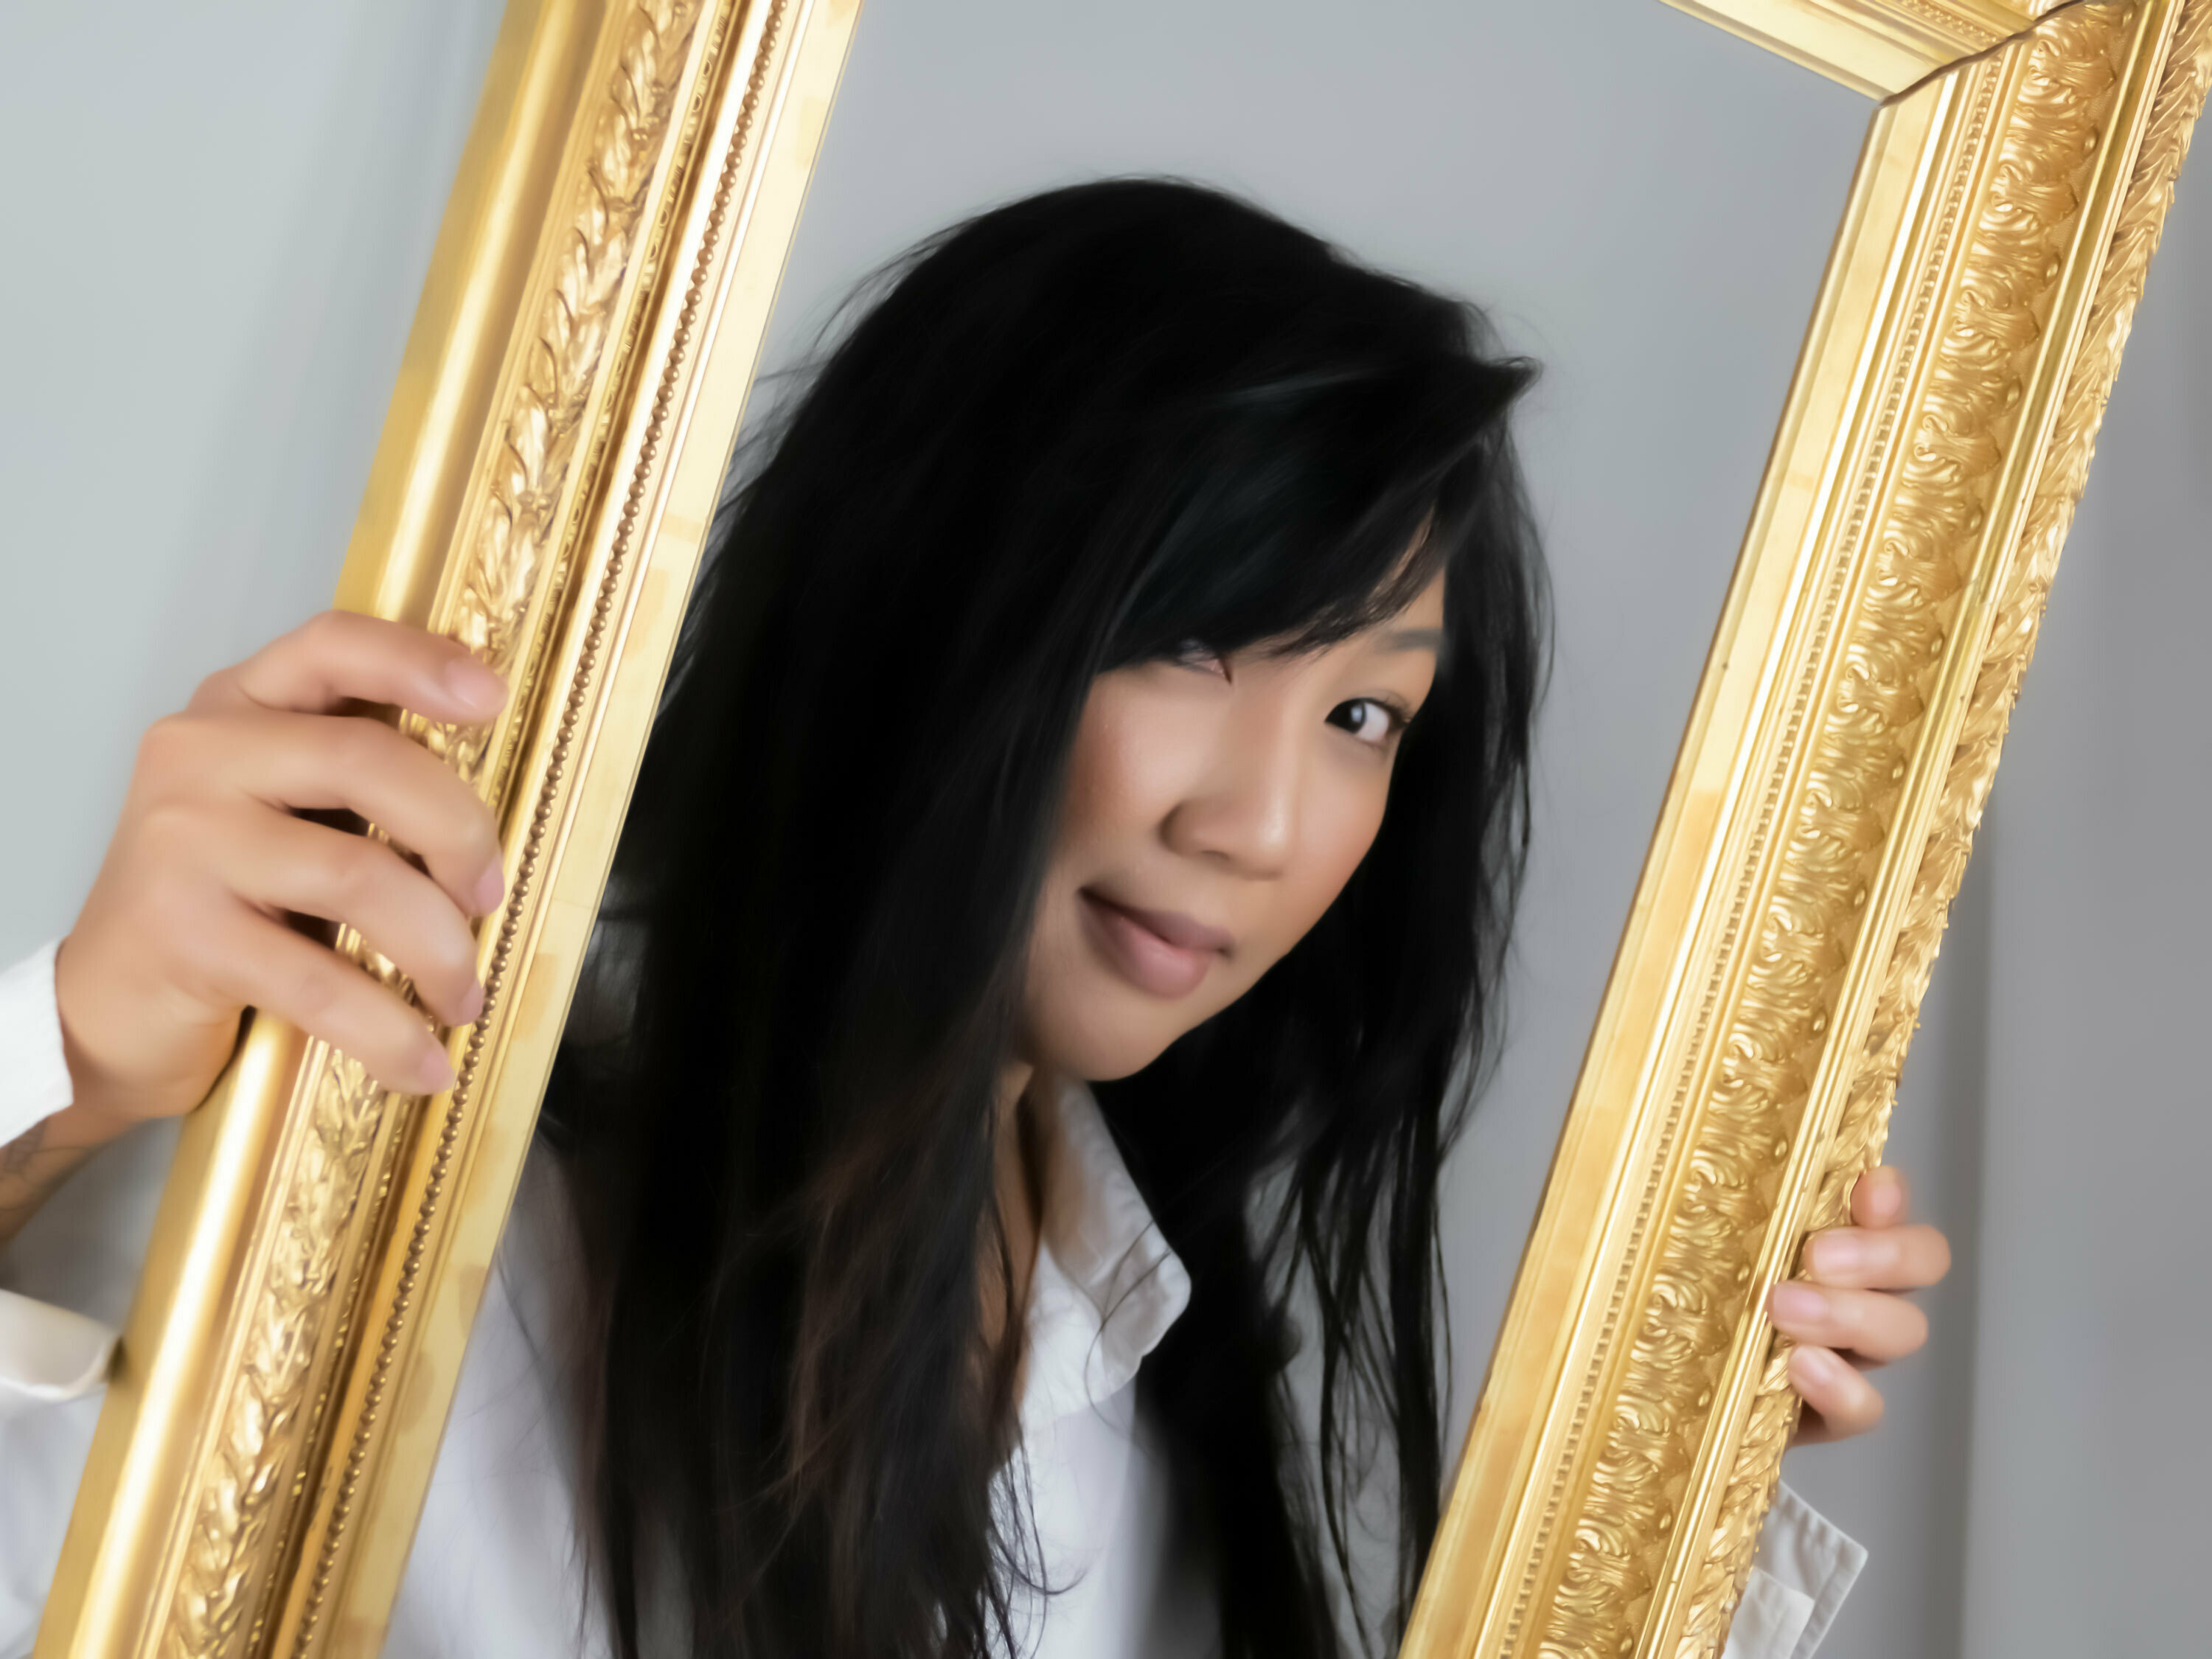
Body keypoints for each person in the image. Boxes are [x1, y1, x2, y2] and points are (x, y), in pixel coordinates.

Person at [0, 181, 1948, 1659]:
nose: (1262, 824)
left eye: (1365, 715)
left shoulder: (1172, 1385)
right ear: (926, 605)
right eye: (1193, 642)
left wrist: (1669, 1491)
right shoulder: (396, 1191)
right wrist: (62, 1069)